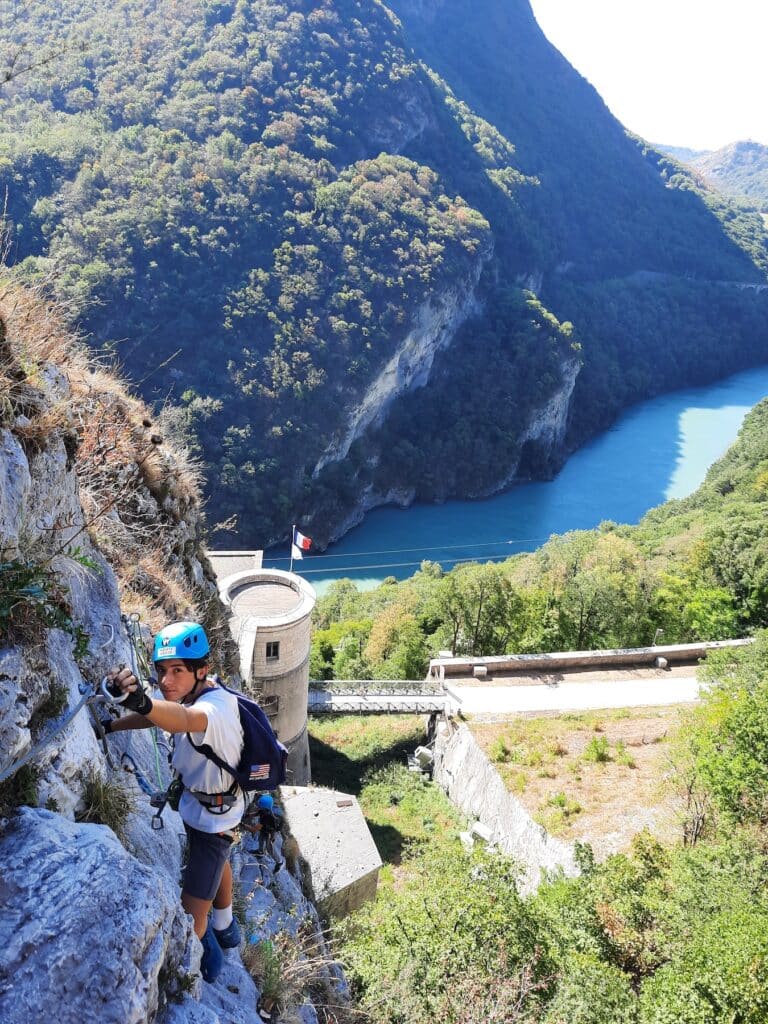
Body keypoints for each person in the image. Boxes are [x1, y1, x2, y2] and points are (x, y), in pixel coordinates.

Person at [104, 620, 244, 983]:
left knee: (192, 913)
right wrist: (113, 726)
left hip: (212, 818)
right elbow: (163, 718)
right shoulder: (200, 692)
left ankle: (206, 967)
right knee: (219, 859)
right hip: (211, 807)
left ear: (202, 670)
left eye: (178, 671)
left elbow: (180, 720)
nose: (167, 680)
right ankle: (227, 926)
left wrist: (142, 701)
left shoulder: (210, 711)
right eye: (162, 670)